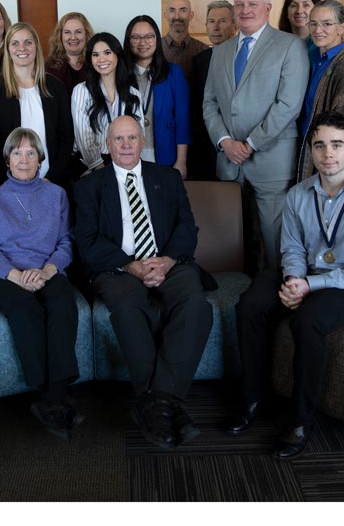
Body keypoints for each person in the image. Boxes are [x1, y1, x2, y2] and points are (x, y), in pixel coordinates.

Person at [227, 110, 344, 459]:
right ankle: (253, 398)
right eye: (319, 146)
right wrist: (293, 279)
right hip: (304, 275)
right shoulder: (299, 194)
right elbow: (292, 248)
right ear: (311, 150)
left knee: (307, 321)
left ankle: (301, 420)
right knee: (250, 304)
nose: (327, 154)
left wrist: (308, 287)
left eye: (335, 145)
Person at [74, 115, 212, 449]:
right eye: (118, 139)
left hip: (168, 262)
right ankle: (167, 405)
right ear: (107, 145)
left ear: (142, 141)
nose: (125, 145)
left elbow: (186, 227)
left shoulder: (167, 177)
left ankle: (156, 402)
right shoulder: (88, 186)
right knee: (127, 306)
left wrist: (165, 261)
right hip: (117, 268)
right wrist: (131, 266)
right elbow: (88, 241)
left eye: (132, 138)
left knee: (196, 304)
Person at [0, 128, 82, 439]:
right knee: (26, 309)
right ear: (7, 160)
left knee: (63, 302)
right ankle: (53, 396)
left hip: (46, 270)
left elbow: (66, 242)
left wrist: (48, 270)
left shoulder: (56, 195)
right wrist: (16, 275)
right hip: (4, 275)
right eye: (17, 153)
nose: (24, 159)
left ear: (40, 160)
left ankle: (52, 399)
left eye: (31, 153)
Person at [203, 0, 309, 270]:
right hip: (228, 160)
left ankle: (277, 298)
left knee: (273, 240)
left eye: (252, 4)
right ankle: (240, 300)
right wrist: (225, 141)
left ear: (268, 7)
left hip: (271, 159)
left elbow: (288, 105)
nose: (245, 10)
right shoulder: (221, 51)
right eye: (240, 4)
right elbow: (209, 103)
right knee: (234, 238)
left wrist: (250, 144)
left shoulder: (290, 47)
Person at [0, 23, 73, 189]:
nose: (22, 48)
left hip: (51, 182)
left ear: (36, 46)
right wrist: (12, 179)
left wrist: (51, 178)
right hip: (7, 183)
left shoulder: (55, 87)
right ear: (8, 49)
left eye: (28, 42)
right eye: (15, 43)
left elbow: (66, 137)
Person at [295, 0, 344, 182]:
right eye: (314, 24)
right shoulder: (314, 58)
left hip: (329, 157)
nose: (318, 30)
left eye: (326, 24)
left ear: (341, 28)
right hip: (306, 146)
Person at [123, 15, 191, 176]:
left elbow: (183, 120)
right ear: (128, 40)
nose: (143, 43)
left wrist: (181, 161)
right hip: (127, 155)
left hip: (164, 154)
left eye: (149, 37)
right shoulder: (119, 75)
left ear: (157, 39)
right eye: (136, 37)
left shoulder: (174, 73)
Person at [71, 33, 143, 176]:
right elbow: (83, 137)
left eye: (107, 53)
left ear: (117, 55)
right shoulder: (82, 91)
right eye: (95, 55)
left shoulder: (133, 93)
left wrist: (128, 166)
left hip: (125, 163)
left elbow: (138, 133)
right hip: (92, 166)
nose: (101, 59)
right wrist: (100, 168)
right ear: (90, 60)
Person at [189, 0, 237, 180]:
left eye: (223, 21)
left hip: (236, 142)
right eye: (211, 21)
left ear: (234, 25)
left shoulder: (243, 58)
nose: (216, 27)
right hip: (205, 145)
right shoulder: (200, 60)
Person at [161, 0, 208, 88]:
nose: (177, 16)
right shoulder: (154, 49)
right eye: (172, 10)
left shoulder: (204, 51)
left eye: (183, 10)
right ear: (165, 15)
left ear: (191, 15)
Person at [46, 11, 95, 98]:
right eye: (67, 32)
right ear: (60, 36)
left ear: (86, 35)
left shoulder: (96, 64)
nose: (73, 37)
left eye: (78, 32)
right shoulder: (48, 68)